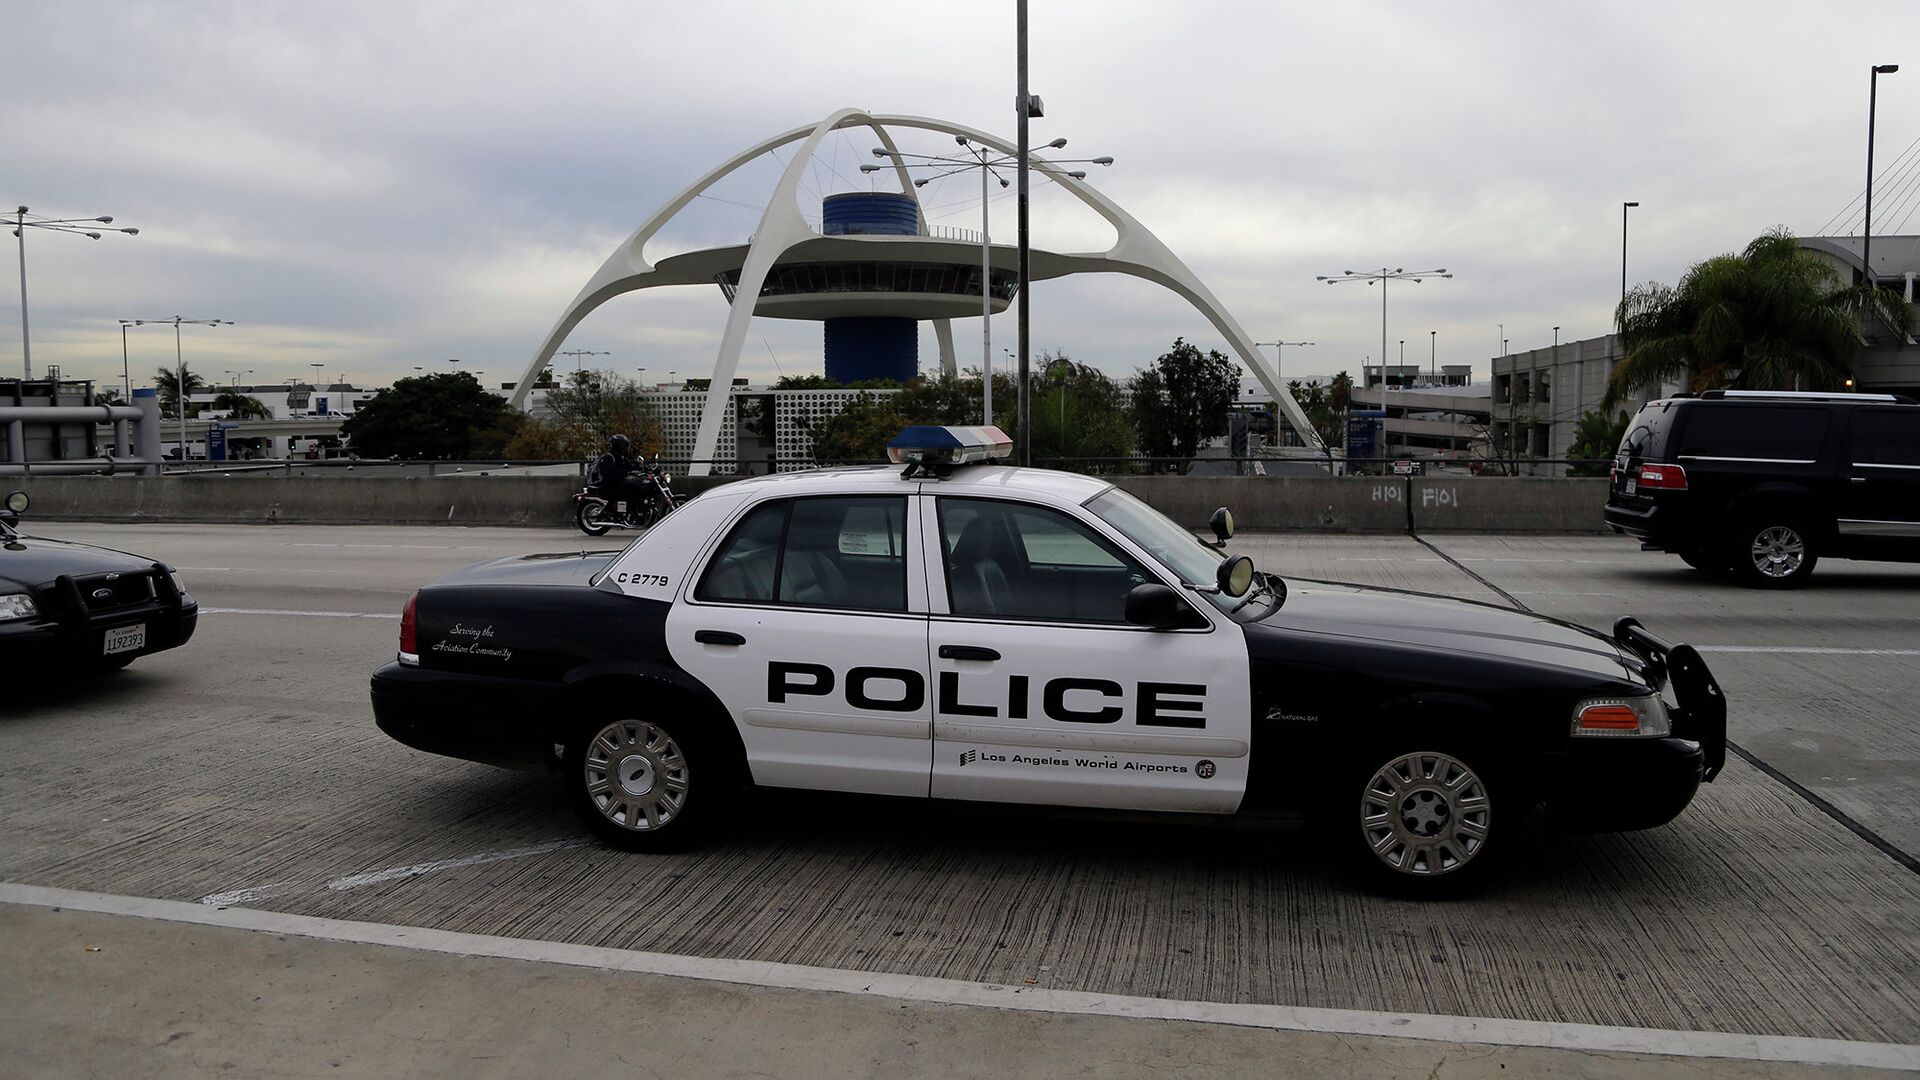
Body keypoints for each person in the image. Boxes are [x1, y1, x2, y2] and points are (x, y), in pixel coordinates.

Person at [595, 434, 650, 519]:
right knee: (634, 487)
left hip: (618, 482)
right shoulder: (609, 457)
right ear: (618, 446)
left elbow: (629, 465)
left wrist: (641, 468)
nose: (626, 448)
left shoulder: (620, 457)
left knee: (639, 484)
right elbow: (609, 472)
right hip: (610, 485)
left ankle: (636, 510)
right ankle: (632, 513)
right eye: (625, 445)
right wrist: (626, 472)